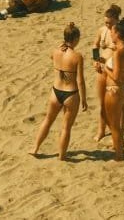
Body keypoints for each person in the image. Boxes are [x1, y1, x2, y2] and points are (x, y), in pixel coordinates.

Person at [30, 24, 87, 160]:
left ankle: (35, 148)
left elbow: (52, 56)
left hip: (55, 92)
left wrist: (60, 46)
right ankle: (62, 155)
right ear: (76, 39)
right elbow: (80, 81)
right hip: (71, 94)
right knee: (66, 127)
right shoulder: (77, 56)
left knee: (48, 120)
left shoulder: (56, 52)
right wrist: (84, 99)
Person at [100, 18, 124, 160]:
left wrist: (104, 68)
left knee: (114, 125)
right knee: (117, 122)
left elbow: (115, 76)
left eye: (113, 32)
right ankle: (118, 146)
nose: (111, 34)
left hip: (114, 89)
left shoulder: (118, 52)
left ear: (118, 34)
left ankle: (119, 155)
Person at [92, 4, 123, 142]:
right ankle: (101, 130)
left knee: (117, 104)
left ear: (116, 20)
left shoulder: (121, 33)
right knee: (102, 102)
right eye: (106, 22)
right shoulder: (102, 30)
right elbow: (95, 45)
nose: (108, 25)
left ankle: (117, 131)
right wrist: (95, 60)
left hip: (115, 70)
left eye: (110, 23)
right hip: (103, 67)